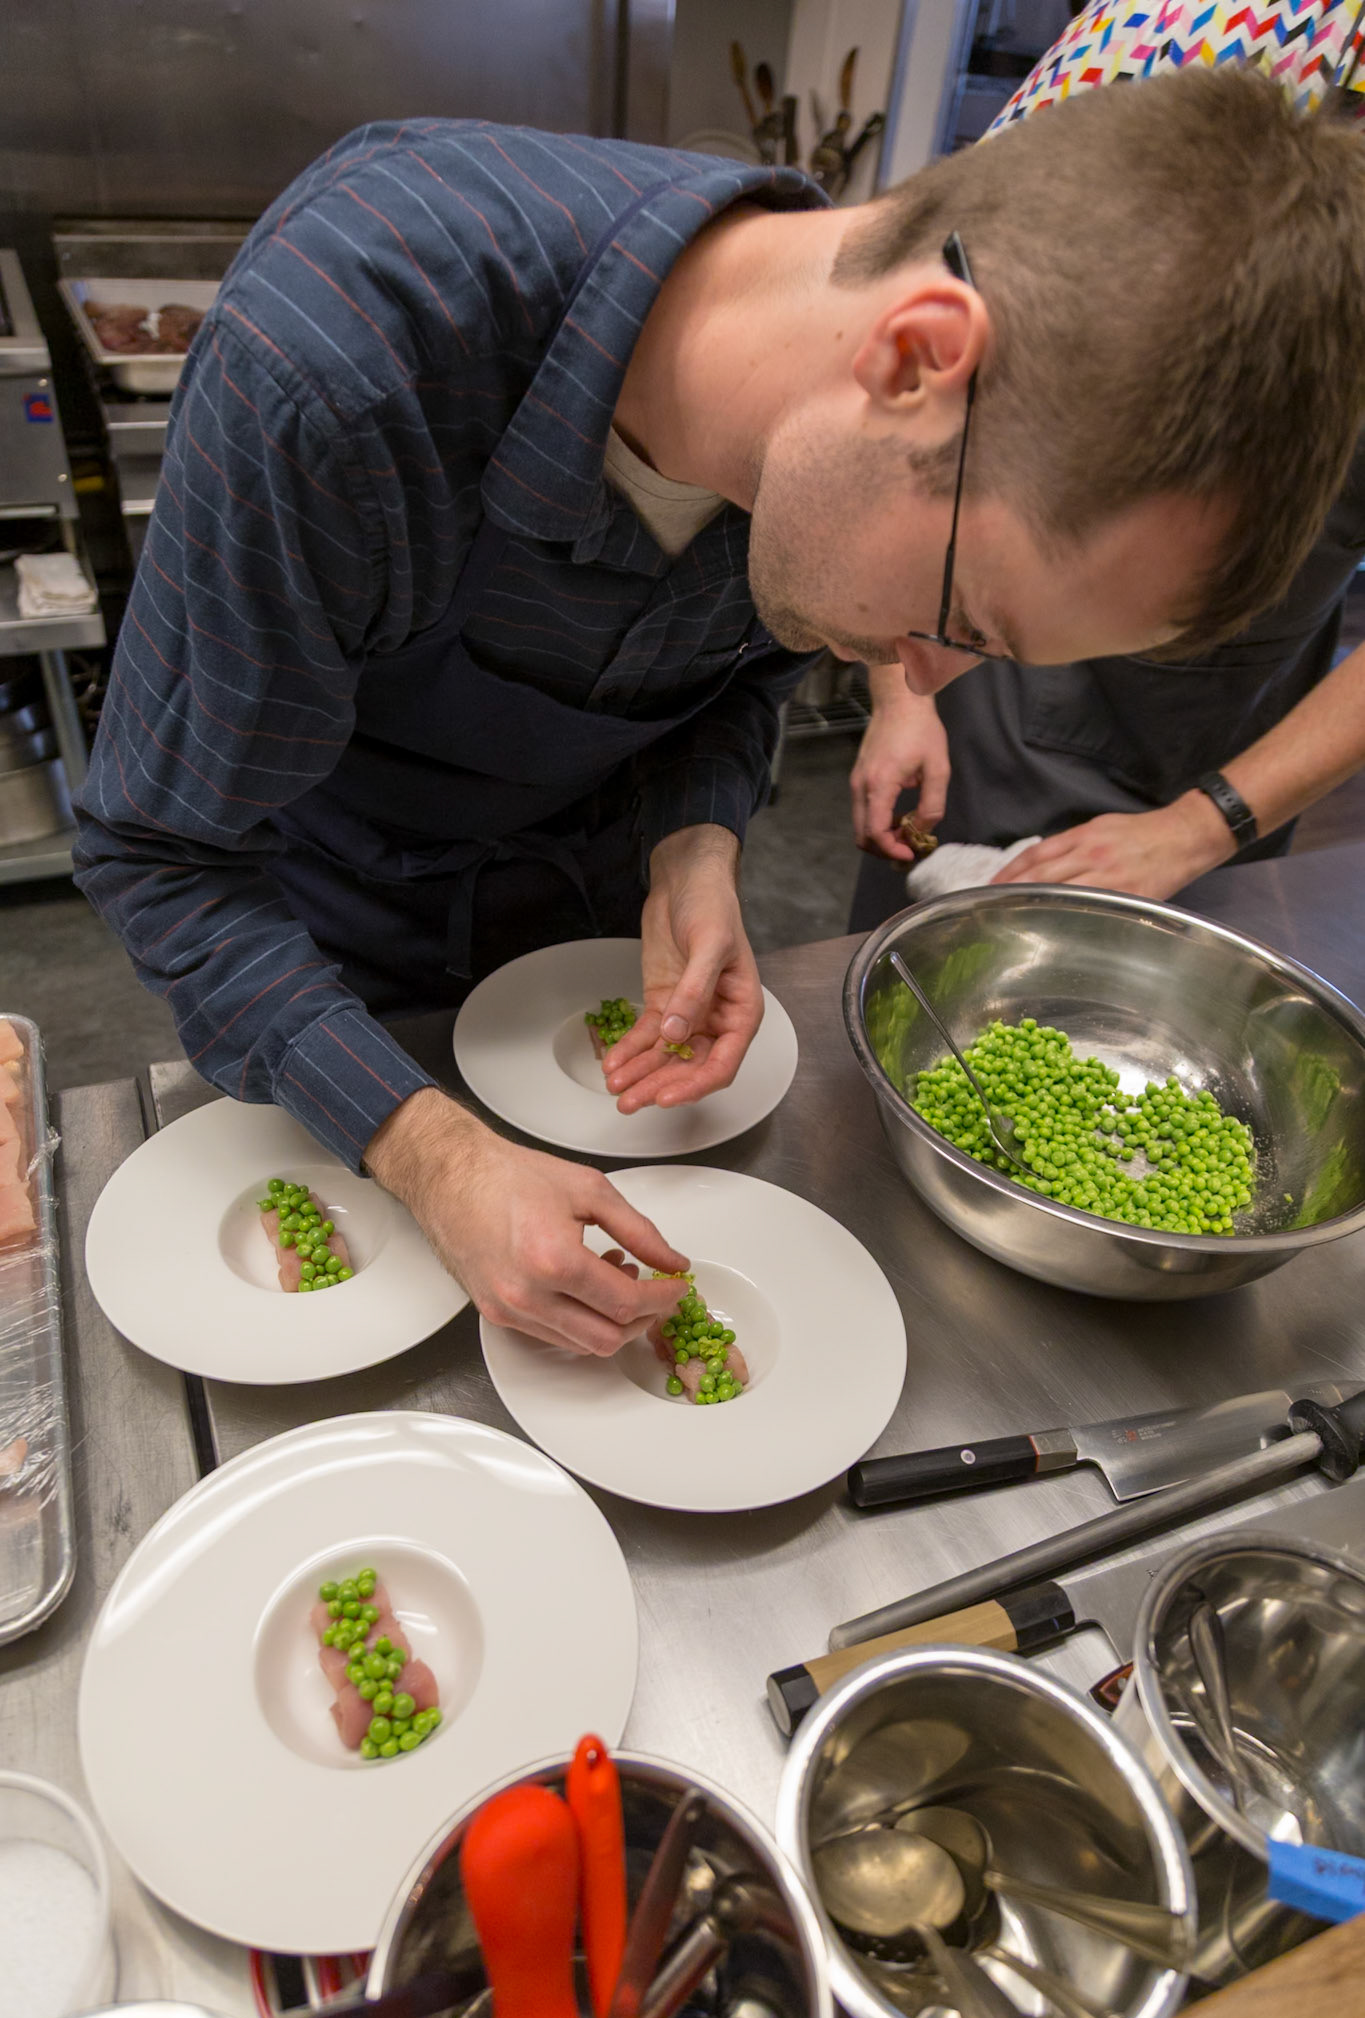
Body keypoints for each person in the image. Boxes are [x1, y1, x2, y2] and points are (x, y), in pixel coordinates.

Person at [74, 68, 1365, 1352]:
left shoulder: (817, 457)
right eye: (963, 613)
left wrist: (695, 843)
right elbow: (164, 854)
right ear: (912, 359)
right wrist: (429, 1154)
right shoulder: (336, 366)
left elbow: (735, 678)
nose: (918, 679)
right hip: (315, 979)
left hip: (571, 986)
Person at [850, 0, 1365, 925]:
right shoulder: (1161, 32)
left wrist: (1206, 826)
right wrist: (900, 689)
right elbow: (924, 426)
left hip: (1240, 739)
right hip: (992, 707)